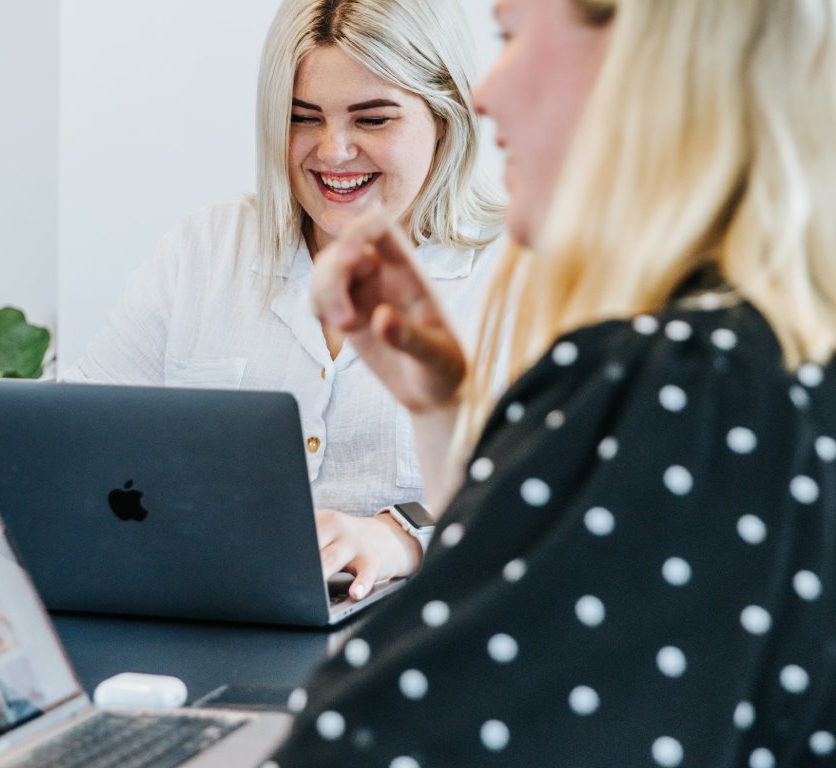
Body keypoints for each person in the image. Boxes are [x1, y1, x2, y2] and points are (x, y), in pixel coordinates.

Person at [268, 0, 836, 765]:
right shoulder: (773, 362)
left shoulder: (673, 382)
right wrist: (439, 413)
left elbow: (366, 746)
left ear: (639, 64)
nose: (482, 95)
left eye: (512, 37)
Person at [63, 0, 506, 597]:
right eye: (303, 117)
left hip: (408, 644)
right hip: (204, 618)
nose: (332, 151)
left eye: (372, 120)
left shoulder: (519, 276)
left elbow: (558, 500)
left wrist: (403, 537)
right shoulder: (204, 251)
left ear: (446, 120)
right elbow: (75, 436)